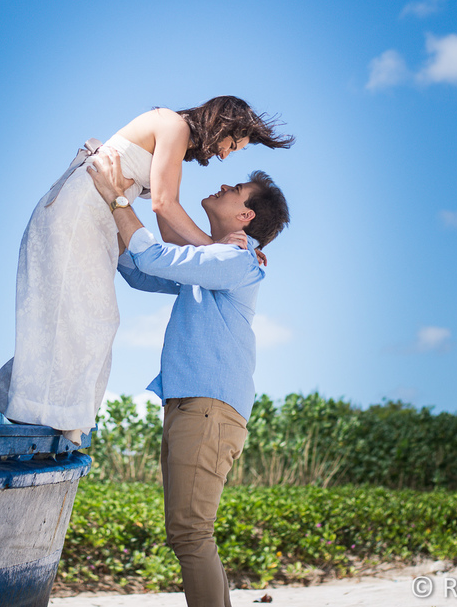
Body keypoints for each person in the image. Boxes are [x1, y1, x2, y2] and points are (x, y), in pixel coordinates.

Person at [0, 96, 293, 443]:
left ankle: (51, 413)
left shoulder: (176, 142)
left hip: (99, 221)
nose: (224, 154)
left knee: (89, 317)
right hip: (80, 213)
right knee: (91, 316)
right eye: (231, 144)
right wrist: (216, 249)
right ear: (223, 124)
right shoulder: (174, 125)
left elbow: (167, 234)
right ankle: (43, 413)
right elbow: (164, 205)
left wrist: (226, 257)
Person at [87, 146, 290, 607]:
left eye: (234, 188)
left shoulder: (237, 262)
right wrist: (108, 208)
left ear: (244, 214)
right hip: (196, 406)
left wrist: (119, 199)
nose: (222, 185)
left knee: (191, 534)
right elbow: (142, 270)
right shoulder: (217, 260)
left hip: (207, 409)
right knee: (193, 534)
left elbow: (156, 257)